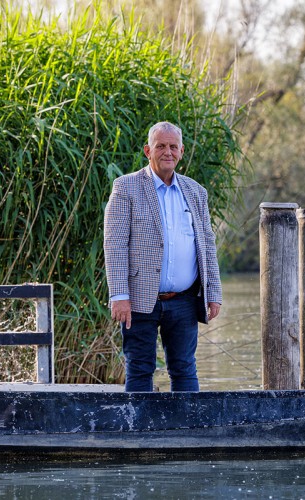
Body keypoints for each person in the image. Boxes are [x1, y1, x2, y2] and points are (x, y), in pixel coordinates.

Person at [103, 121, 222, 392]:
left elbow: (207, 244)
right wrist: (119, 295)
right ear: (148, 150)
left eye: (172, 146)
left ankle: (188, 431)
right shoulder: (126, 188)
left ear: (181, 151)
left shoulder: (195, 192)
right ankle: (139, 433)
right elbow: (115, 244)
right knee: (140, 367)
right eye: (160, 146)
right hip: (138, 299)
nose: (167, 152)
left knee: (184, 368)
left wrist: (213, 292)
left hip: (183, 301)